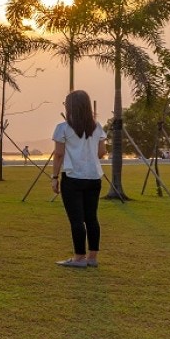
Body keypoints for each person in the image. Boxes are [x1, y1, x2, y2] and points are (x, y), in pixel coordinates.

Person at [50, 89, 108, 267]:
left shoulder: (63, 128)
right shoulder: (97, 127)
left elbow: (59, 154)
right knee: (91, 217)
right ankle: (92, 257)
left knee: (76, 219)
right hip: (94, 177)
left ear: (70, 107)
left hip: (73, 177)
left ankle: (78, 257)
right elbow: (102, 152)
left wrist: (54, 177)